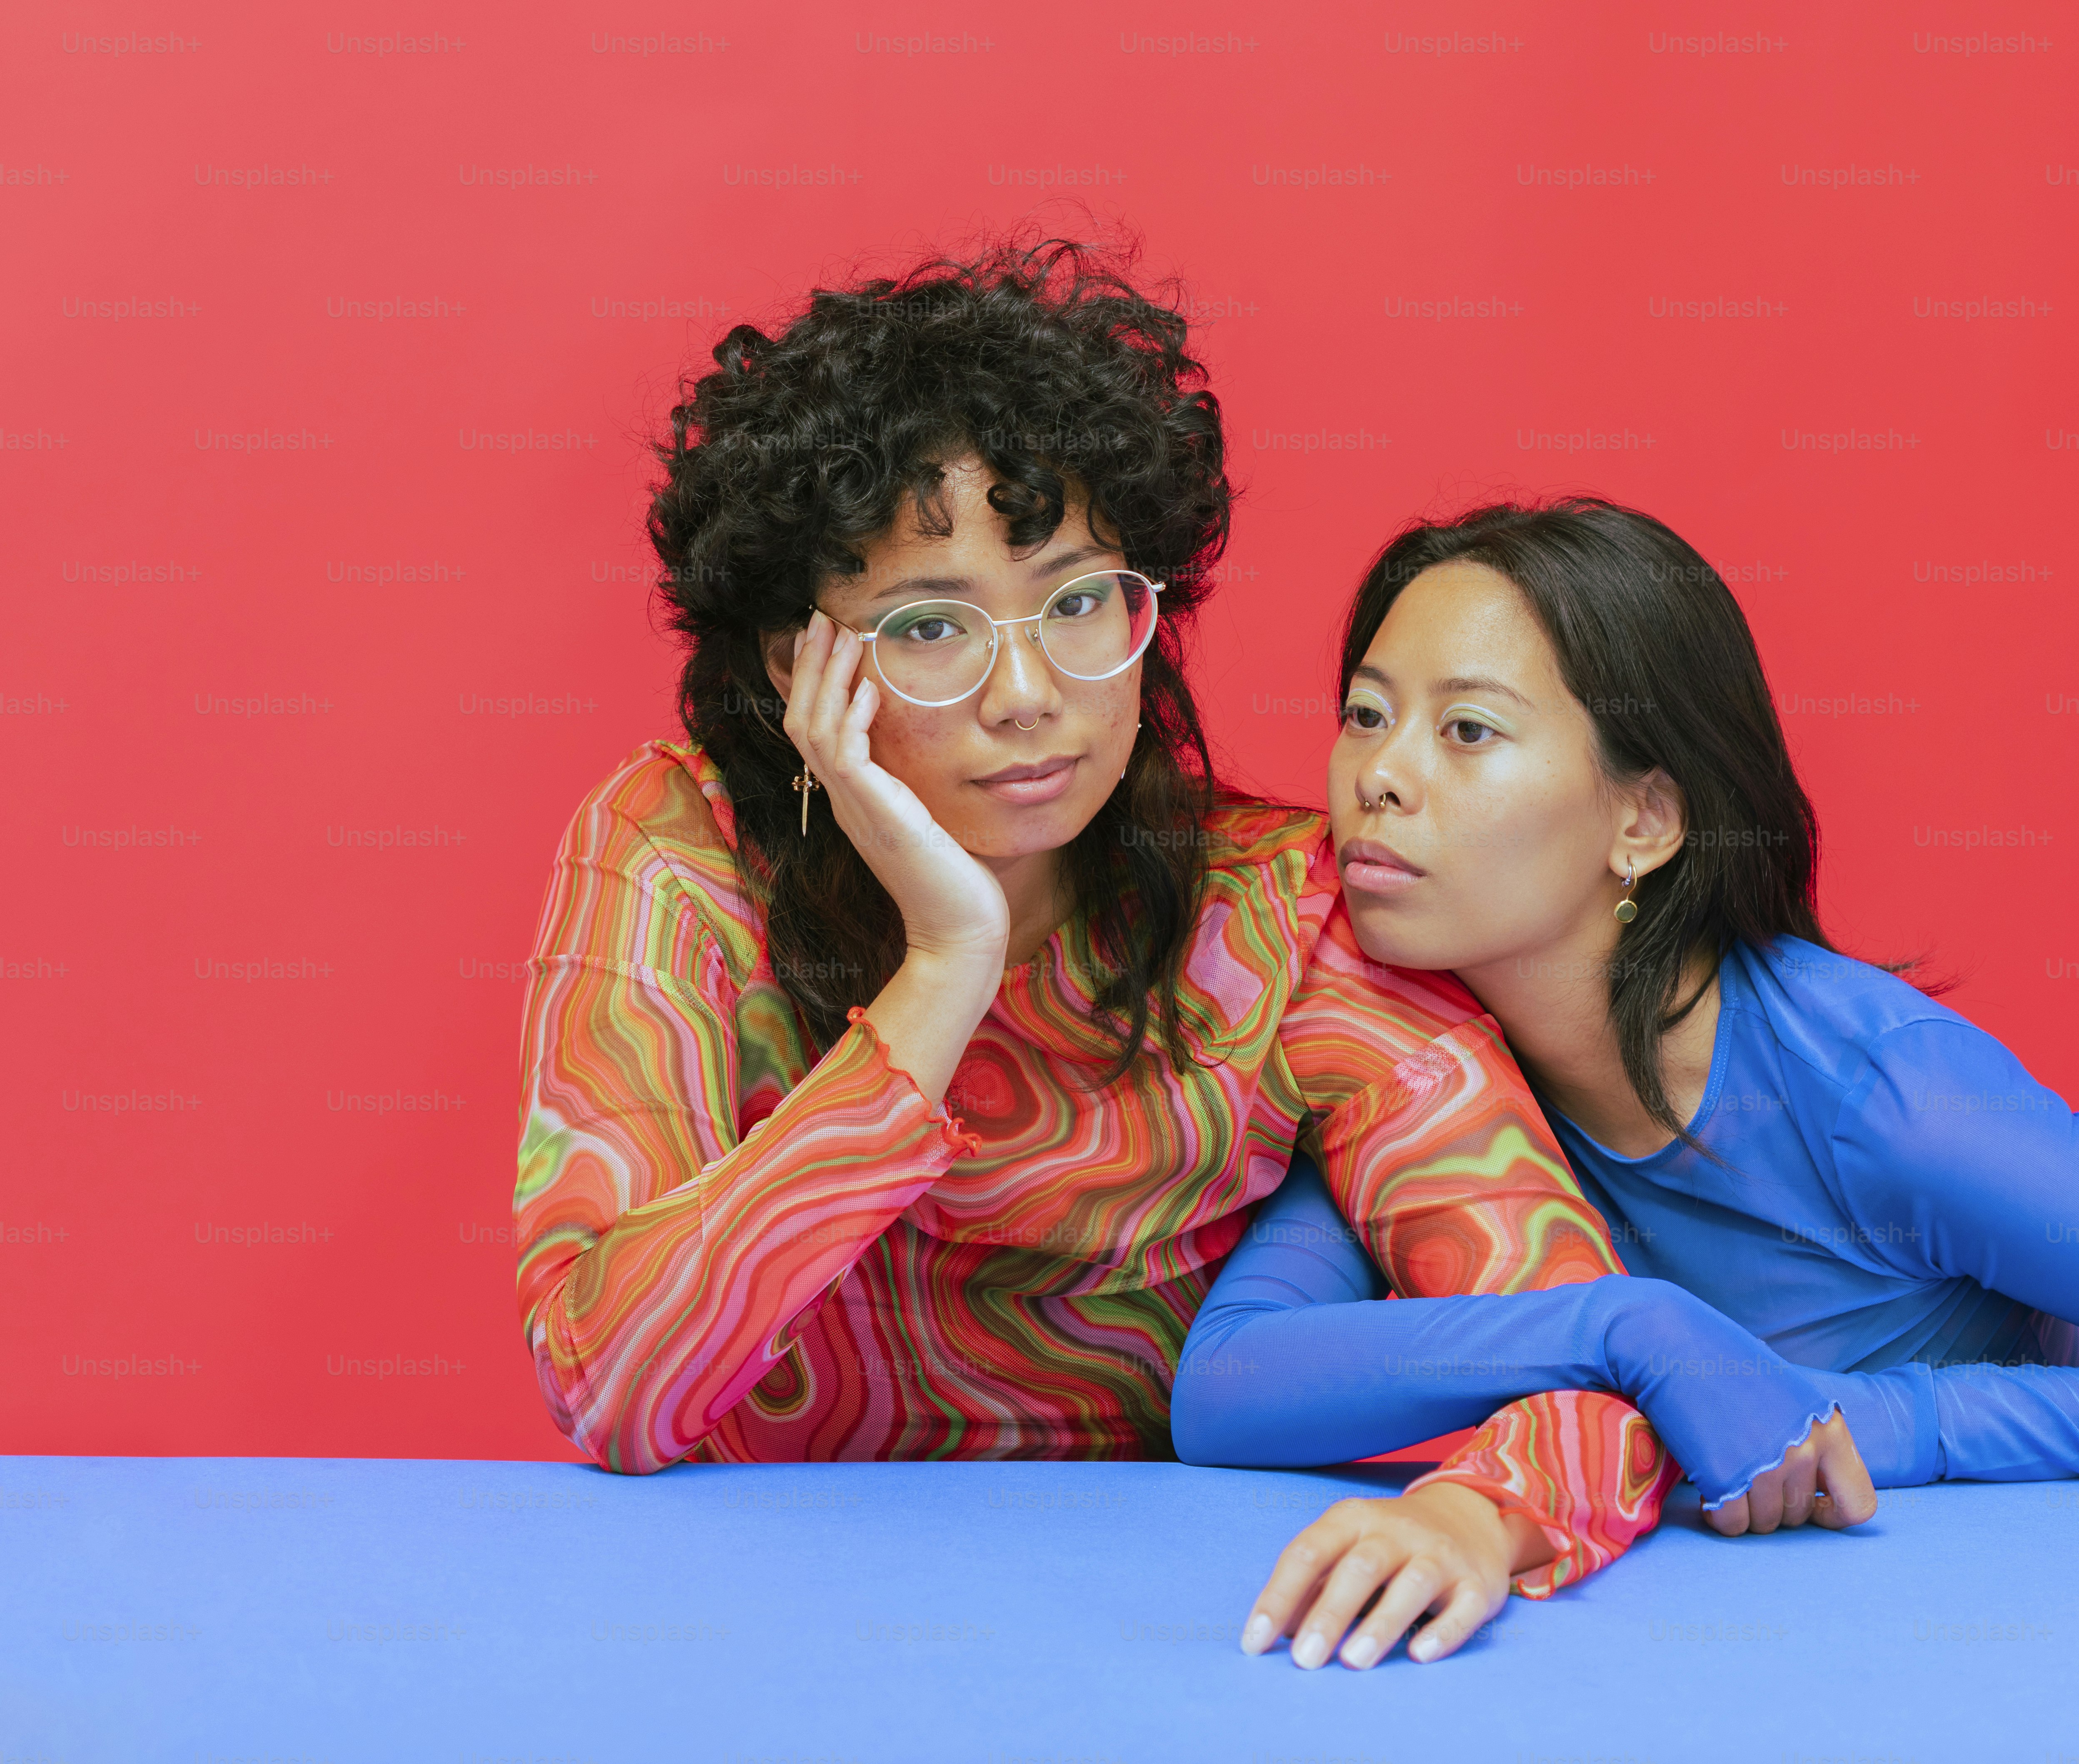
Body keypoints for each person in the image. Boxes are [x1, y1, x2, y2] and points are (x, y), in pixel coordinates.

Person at [511, 242, 1678, 1669]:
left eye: (1075, 604)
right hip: (769, 1635)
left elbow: (1581, 1338)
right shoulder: (679, 853)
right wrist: (945, 965)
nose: (1028, 696)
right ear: (790, 666)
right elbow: (613, 1380)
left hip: (1177, 1641)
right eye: (929, 627)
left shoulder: (1273, 914)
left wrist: (1480, 1520)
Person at [1176, 496, 2079, 1670]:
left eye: (1466, 731)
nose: (1376, 779)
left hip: (1958, 1643)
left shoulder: (1879, 1094)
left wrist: (1868, 1419)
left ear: (1644, 822)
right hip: (1623, 1669)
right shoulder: (1395, 1053)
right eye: (1363, 714)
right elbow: (1229, 1391)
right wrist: (1634, 1336)